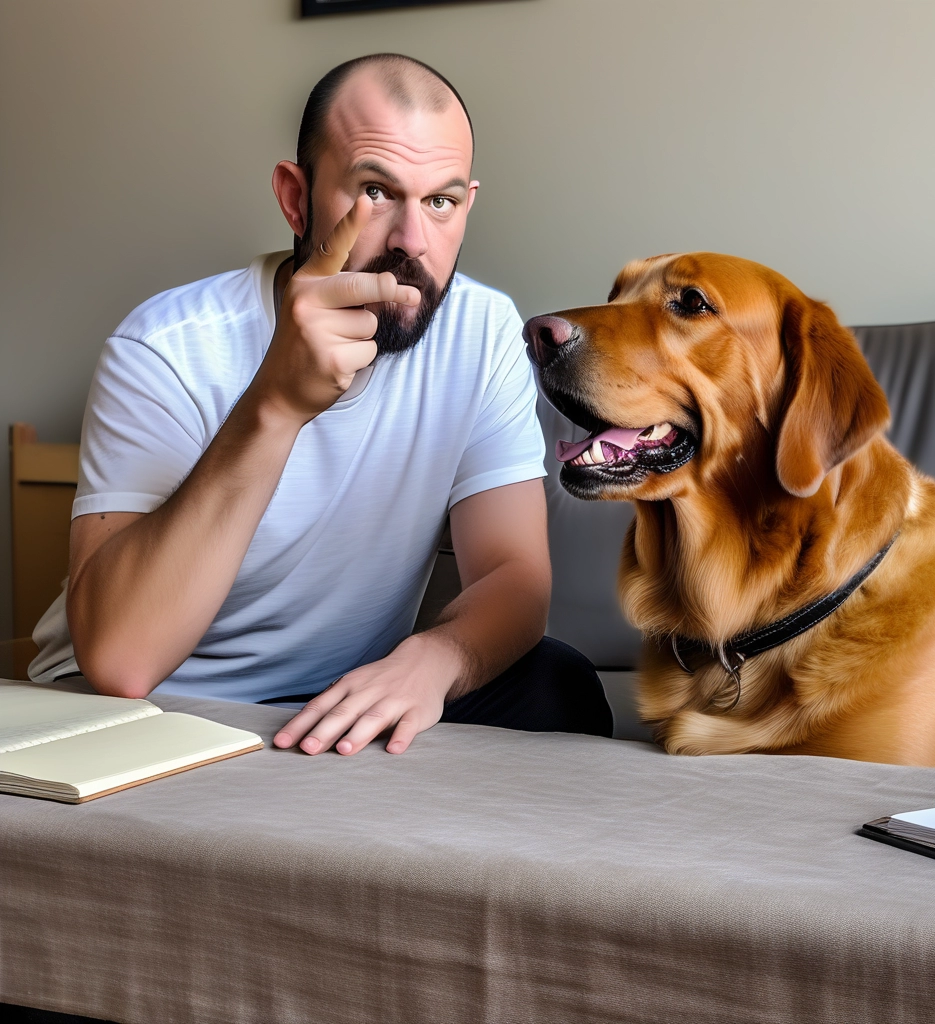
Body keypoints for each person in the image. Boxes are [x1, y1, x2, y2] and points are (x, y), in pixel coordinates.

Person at [30, 53, 613, 754]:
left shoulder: (481, 333)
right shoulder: (166, 346)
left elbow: (514, 578)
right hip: (151, 695)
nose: (411, 242)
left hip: (339, 689)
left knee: (560, 684)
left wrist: (431, 662)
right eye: (374, 191)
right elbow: (123, 661)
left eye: (441, 201)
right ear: (296, 198)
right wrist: (275, 405)